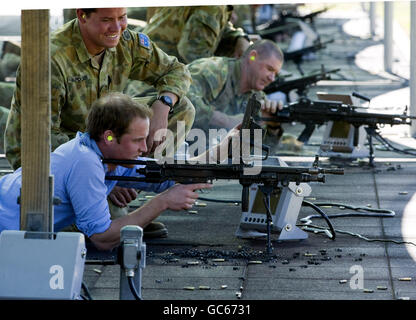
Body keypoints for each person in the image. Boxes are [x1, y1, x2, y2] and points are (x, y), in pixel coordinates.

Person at [3, 8, 195, 237]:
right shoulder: (51, 58)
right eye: (106, 20)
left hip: (102, 145)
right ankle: (102, 206)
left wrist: (163, 104)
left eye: (122, 18)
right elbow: (41, 137)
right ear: (82, 15)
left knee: (181, 107)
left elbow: (177, 71)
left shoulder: (126, 42)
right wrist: (101, 172)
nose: (117, 28)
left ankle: (122, 190)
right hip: (46, 156)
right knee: (100, 234)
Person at [0, 92, 242, 251]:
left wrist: (224, 149)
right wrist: (163, 202)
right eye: (137, 140)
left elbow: (168, 177)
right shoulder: (86, 163)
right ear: (108, 136)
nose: (145, 148)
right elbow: (103, 238)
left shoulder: (109, 157)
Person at [186, 39, 303, 152]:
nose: (272, 78)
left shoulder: (258, 99)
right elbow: (182, 99)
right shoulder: (212, 70)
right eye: (269, 69)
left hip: (212, 158)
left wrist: (272, 126)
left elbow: (260, 154)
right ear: (253, 57)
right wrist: (226, 121)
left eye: (275, 74)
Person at [141, 6, 251, 64]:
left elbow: (215, 25)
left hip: (144, 66)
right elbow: (193, 54)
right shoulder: (214, 6)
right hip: (154, 84)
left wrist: (238, 37)